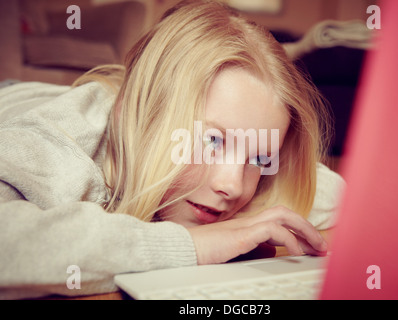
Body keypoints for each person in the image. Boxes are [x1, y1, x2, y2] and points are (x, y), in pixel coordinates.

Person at [0, 0, 344, 299]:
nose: (233, 186)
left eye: (257, 156)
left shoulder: (247, 172)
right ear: (138, 117)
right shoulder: (61, 145)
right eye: (213, 141)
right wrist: (193, 245)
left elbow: (334, 195)